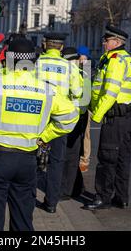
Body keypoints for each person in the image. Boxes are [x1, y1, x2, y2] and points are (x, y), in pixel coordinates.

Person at [0, 37, 79, 231]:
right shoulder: (47, 89)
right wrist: (45, 137)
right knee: (23, 219)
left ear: (8, 59)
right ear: (33, 62)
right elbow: (70, 117)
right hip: (28, 160)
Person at [83, 25, 131, 211]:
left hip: (114, 115)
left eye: (106, 40)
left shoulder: (115, 60)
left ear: (116, 42)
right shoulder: (127, 59)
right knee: (122, 157)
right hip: (126, 115)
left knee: (107, 157)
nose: (104, 43)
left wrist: (97, 114)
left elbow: (110, 91)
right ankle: (121, 197)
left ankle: (103, 197)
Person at [35, 33, 83, 213]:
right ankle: (51, 202)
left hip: (38, 116)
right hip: (59, 117)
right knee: (57, 160)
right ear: (61, 47)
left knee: (32, 156)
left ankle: (28, 195)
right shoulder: (69, 67)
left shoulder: (36, 64)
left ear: (46, 45)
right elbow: (78, 92)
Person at [60, 47, 89, 200]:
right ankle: (77, 187)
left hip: (73, 118)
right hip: (77, 117)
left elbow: (83, 100)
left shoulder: (77, 73)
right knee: (72, 155)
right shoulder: (82, 72)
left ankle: (67, 190)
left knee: (70, 156)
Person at [77, 45, 93, 173]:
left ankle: (84, 160)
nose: (82, 61)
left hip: (85, 106)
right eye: (80, 58)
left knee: (86, 134)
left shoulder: (88, 70)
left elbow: (87, 91)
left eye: (84, 58)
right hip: (74, 105)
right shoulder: (73, 68)